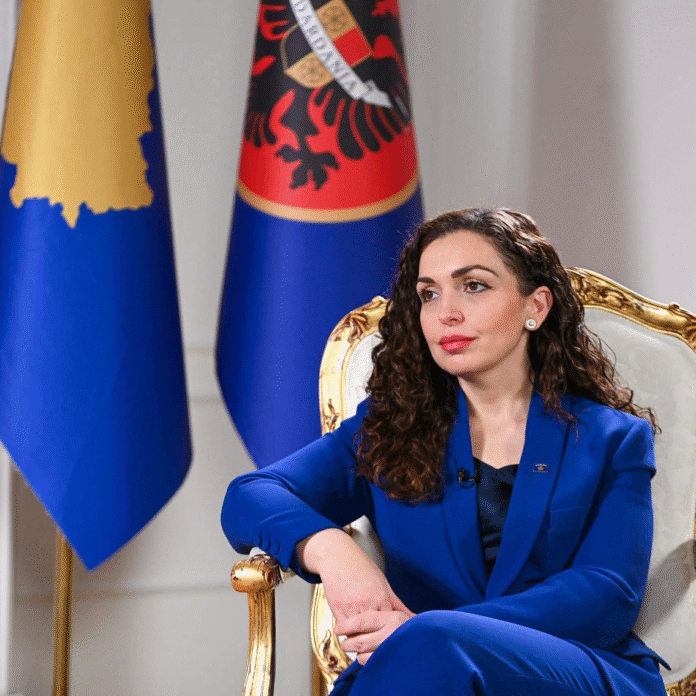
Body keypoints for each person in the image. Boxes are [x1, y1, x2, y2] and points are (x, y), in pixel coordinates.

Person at [221, 208, 669, 696]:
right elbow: (251, 494)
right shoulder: (390, 427)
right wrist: (332, 550)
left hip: (570, 670)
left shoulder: (613, 438)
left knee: (430, 647)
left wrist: (428, 630)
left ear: (536, 306)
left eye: (473, 286)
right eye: (428, 294)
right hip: (418, 671)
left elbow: (608, 594)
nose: (445, 313)